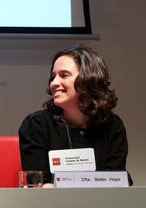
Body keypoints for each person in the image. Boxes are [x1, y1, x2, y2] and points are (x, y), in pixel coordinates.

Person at [19, 44, 132, 186]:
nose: (53, 83)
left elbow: (116, 182)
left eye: (64, 75)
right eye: (53, 77)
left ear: (88, 79)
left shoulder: (112, 126)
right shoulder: (36, 125)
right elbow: (39, 185)